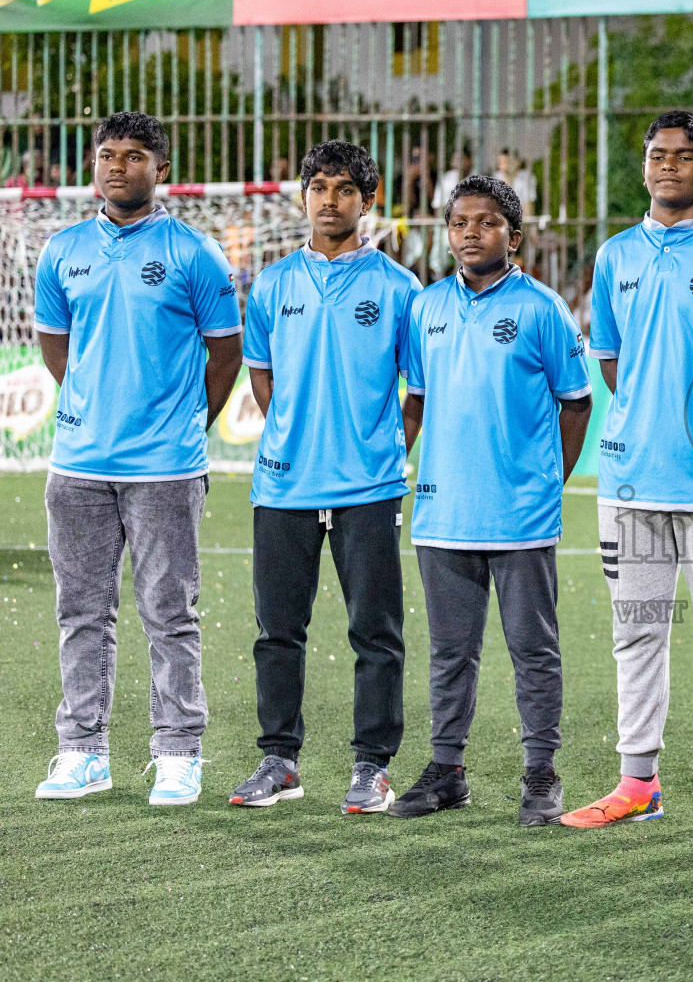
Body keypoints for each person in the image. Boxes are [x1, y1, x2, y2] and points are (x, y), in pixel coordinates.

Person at [560, 111, 693, 839]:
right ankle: (637, 782)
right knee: (637, 632)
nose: (668, 165)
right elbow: (612, 363)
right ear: (643, 167)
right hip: (630, 481)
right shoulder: (615, 256)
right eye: (657, 155)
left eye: (685, 157)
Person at [31, 112, 243, 805]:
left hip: (165, 468)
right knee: (81, 612)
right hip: (79, 466)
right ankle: (82, 751)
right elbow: (57, 347)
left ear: (162, 169)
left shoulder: (195, 254)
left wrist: (184, 424)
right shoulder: (62, 251)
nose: (117, 166)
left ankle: (180, 751)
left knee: (168, 612)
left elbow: (226, 355)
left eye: (134, 155)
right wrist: (94, 407)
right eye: (106, 155)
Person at [228, 141, 422, 814]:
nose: (330, 199)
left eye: (345, 189)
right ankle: (279, 759)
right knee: (277, 629)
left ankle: (372, 766)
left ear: (367, 202)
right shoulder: (274, 284)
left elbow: (417, 389)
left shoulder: (400, 288)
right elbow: (261, 372)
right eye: (319, 187)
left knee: (375, 630)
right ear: (303, 197)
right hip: (283, 484)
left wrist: (382, 450)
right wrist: (297, 434)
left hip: (368, 487)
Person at [391, 176, 592, 822]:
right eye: (459, 223)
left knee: (533, 651)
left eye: (485, 222)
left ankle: (541, 773)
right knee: (450, 652)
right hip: (442, 513)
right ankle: (446, 769)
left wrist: (544, 483)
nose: (470, 233)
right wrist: (398, 456)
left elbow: (576, 403)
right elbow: (416, 398)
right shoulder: (425, 308)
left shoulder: (541, 308)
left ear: (514, 233)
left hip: (520, 518)